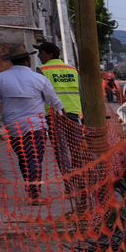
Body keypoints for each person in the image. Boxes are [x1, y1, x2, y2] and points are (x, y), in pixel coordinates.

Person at [0, 49, 62, 203]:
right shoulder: (39, 79)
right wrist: (63, 115)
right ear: (28, 61)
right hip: (36, 126)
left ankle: (31, 187)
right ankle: (34, 192)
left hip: (13, 127)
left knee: (23, 157)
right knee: (35, 157)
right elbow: (54, 100)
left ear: (12, 62)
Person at [36, 40, 84, 179]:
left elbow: (38, 94)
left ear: (49, 54)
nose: (39, 56)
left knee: (61, 150)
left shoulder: (42, 70)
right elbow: (81, 92)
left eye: (41, 53)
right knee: (76, 149)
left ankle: (68, 180)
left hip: (54, 115)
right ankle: (79, 177)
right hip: (74, 114)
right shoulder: (72, 70)